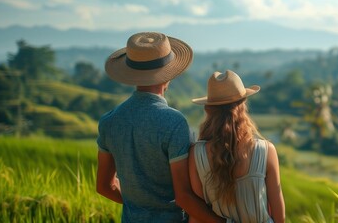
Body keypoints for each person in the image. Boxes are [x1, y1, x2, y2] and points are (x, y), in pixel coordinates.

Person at [96, 32, 225, 222]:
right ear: (168, 75)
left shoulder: (109, 121)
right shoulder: (174, 122)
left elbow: (104, 186)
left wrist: (139, 206)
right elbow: (184, 196)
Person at [188, 70, 286, 223]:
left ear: (208, 109)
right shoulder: (266, 150)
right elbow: (279, 215)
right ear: (242, 105)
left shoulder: (197, 154)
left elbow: (198, 214)